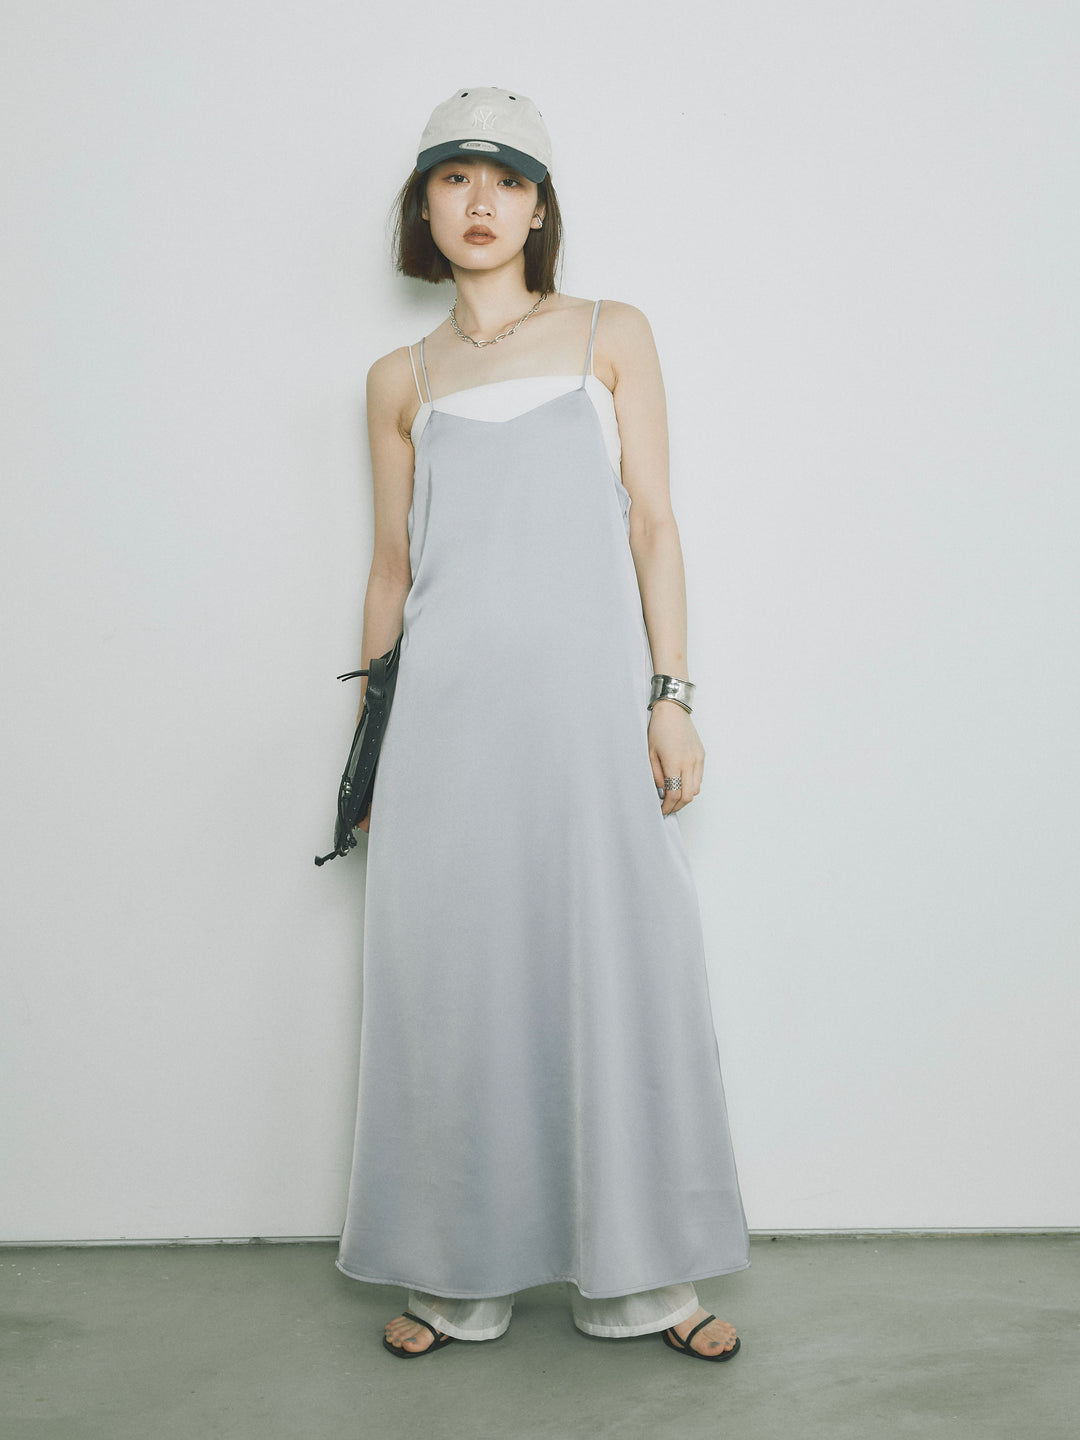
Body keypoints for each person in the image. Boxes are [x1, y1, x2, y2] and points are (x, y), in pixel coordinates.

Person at [334, 85, 750, 1362]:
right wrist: (367, 756)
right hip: (446, 727)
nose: (481, 203)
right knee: (456, 982)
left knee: (620, 966)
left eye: (507, 180)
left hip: (585, 721)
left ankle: (645, 1284)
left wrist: (670, 697)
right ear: (423, 207)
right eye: (455, 179)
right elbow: (392, 572)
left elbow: (654, 525)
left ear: (539, 208)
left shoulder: (610, 334)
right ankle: (458, 1281)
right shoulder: (399, 379)